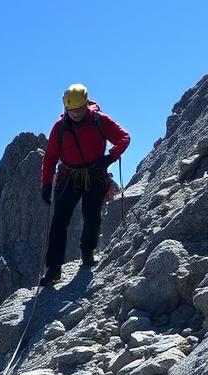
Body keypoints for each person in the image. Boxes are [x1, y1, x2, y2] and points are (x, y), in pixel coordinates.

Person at [39, 83, 130, 285]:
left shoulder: (100, 120)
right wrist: (46, 184)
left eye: (79, 110)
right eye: (71, 110)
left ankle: (87, 252)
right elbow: (50, 157)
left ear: (86, 105)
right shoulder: (60, 127)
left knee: (92, 216)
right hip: (68, 176)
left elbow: (124, 138)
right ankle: (53, 268)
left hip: (94, 174)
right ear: (66, 108)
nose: (75, 114)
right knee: (59, 222)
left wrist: (110, 158)